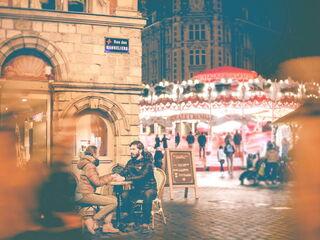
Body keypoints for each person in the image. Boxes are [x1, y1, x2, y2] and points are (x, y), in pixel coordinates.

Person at [76, 145, 124, 234]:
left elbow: (96, 179)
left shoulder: (87, 164)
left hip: (85, 193)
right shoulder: (90, 166)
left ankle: (107, 226)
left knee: (113, 198)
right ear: (94, 153)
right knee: (114, 202)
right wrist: (111, 176)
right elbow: (97, 183)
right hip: (85, 195)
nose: (98, 155)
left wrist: (111, 176)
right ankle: (96, 220)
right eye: (97, 153)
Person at [120, 141, 157, 232]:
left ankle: (145, 223)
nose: (131, 151)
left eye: (133, 149)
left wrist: (125, 178)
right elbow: (124, 172)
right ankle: (131, 221)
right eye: (130, 149)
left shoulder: (147, 162)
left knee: (147, 195)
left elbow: (142, 176)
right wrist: (118, 176)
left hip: (149, 188)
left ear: (140, 150)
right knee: (125, 194)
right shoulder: (130, 162)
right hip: (137, 189)